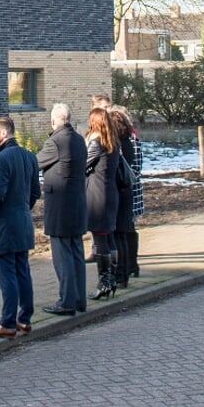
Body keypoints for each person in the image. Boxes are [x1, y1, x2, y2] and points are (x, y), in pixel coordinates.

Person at [0, 116, 39, 338]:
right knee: (22, 270)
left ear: (3, 133)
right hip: (22, 223)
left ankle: (8, 322)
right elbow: (35, 192)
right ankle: (25, 318)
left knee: (7, 274)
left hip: (3, 226)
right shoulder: (29, 156)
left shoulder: (2, 159)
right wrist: (22, 209)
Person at [36, 103, 87, 315]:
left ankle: (66, 301)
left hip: (60, 205)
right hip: (77, 203)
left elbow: (34, 163)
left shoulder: (55, 141)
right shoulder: (78, 139)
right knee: (76, 252)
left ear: (54, 120)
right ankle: (78, 299)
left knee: (62, 254)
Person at [84, 106, 122, 302]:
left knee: (100, 239)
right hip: (111, 194)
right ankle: (112, 279)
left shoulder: (96, 143)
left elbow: (84, 165)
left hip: (97, 196)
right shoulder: (112, 143)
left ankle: (104, 283)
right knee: (109, 237)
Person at [107, 105, 143, 286]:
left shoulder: (116, 145)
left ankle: (121, 273)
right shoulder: (129, 141)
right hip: (127, 192)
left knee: (118, 234)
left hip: (119, 191)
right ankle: (127, 270)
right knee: (124, 232)